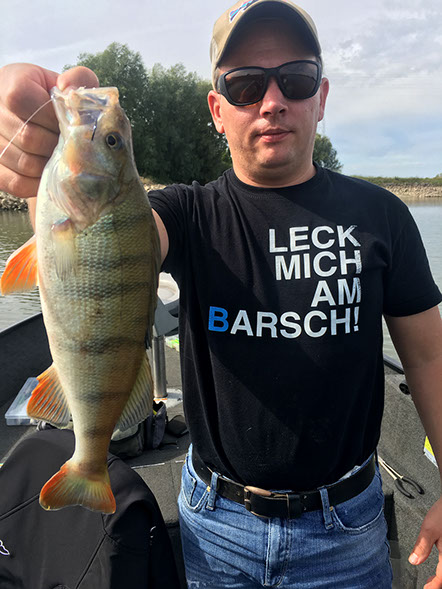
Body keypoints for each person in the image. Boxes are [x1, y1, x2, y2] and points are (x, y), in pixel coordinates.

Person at [0, 0, 441, 586]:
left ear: (322, 97)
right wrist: (37, 143)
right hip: (216, 528)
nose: (272, 101)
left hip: (347, 528)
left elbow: (430, 358)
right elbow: (96, 238)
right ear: (217, 110)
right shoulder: (187, 213)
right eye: (245, 85)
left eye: (296, 79)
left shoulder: (382, 215)